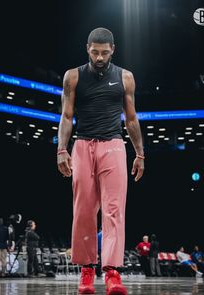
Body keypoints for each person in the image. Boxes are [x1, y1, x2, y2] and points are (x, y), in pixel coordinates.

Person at [57, 27, 144, 295]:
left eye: (104, 53)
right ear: (87, 48)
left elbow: (131, 119)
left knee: (114, 210)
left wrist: (140, 153)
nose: (99, 57)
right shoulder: (73, 76)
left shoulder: (125, 77)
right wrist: (62, 148)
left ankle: (112, 274)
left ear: (112, 51)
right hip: (82, 145)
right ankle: (86, 272)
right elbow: (66, 116)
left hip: (114, 146)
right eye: (94, 52)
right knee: (83, 210)